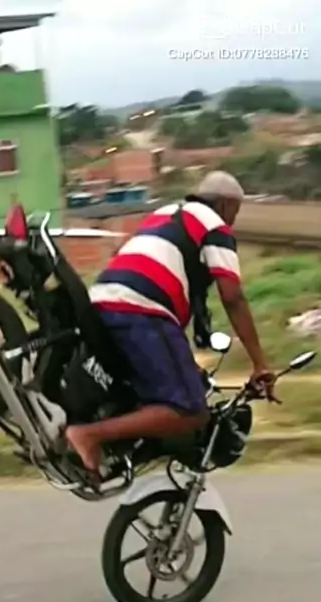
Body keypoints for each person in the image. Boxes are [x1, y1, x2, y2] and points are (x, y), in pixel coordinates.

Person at [66, 170, 277, 474]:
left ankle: (106, 450)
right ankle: (89, 436)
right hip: (142, 307)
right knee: (190, 410)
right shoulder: (215, 226)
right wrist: (260, 364)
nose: (233, 220)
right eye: (235, 211)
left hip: (102, 299)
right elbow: (233, 297)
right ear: (226, 205)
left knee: (146, 392)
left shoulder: (165, 213)